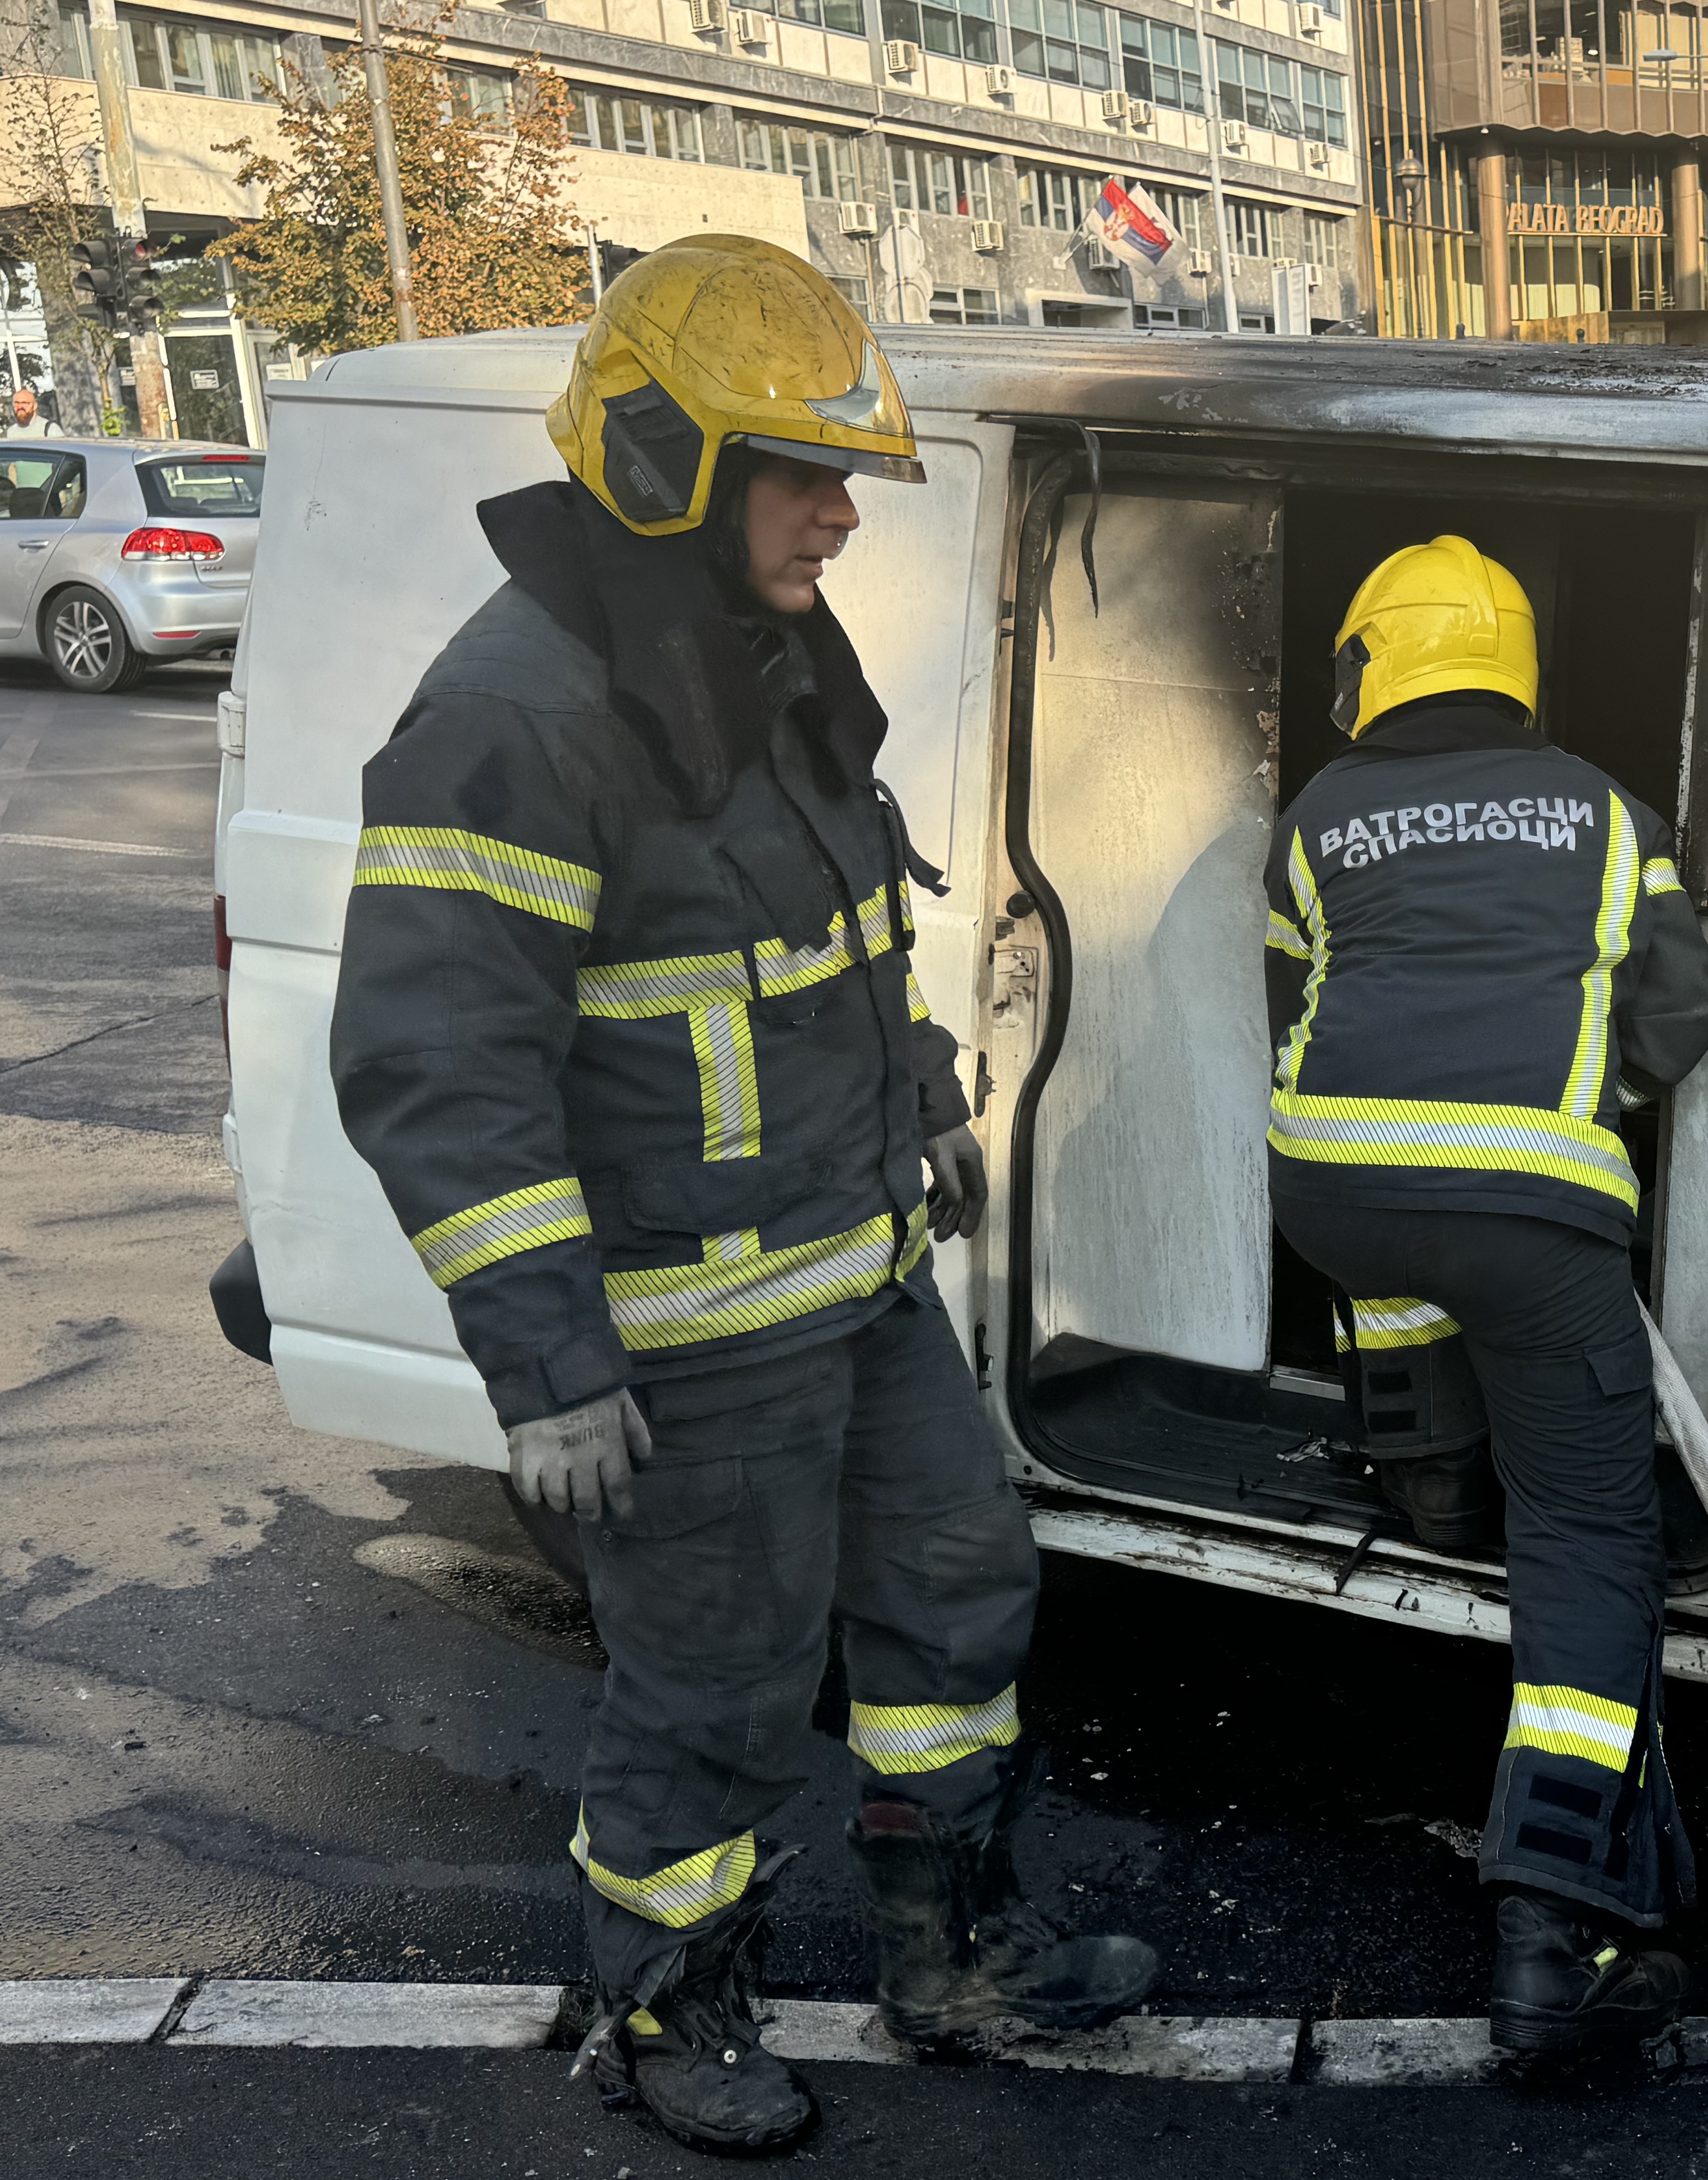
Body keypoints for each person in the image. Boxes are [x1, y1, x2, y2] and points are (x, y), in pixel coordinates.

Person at [328, 234, 1154, 2158]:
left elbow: (843, 929)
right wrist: (547, 1368)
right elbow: (439, 1068)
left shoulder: (756, 655)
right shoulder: (519, 711)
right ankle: (664, 2004)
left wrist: (931, 1104)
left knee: (959, 1594)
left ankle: (950, 1953)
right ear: (661, 464)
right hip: (685, 1340)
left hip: (853, 1275)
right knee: (716, 1685)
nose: (838, 520)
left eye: (841, 478)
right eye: (801, 476)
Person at [1262, 537, 1708, 2053]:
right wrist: (1589, 1088)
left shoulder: (1315, 817)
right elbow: (1685, 1007)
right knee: (1594, 1533)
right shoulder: (1604, 811)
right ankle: (1557, 1936)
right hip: (1533, 1219)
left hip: (1332, 1189)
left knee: (1407, 1264)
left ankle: (1429, 1473)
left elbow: (1301, 998)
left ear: (1372, 664)